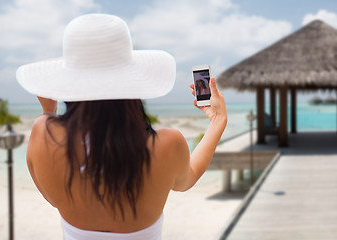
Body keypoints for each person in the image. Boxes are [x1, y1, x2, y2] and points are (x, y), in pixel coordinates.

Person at [16, 14, 226, 239]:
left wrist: (49, 113)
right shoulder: (167, 144)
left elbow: (52, 194)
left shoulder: (43, 133)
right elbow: (188, 178)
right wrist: (217, 121)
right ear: (132, 79)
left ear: (70, 83)